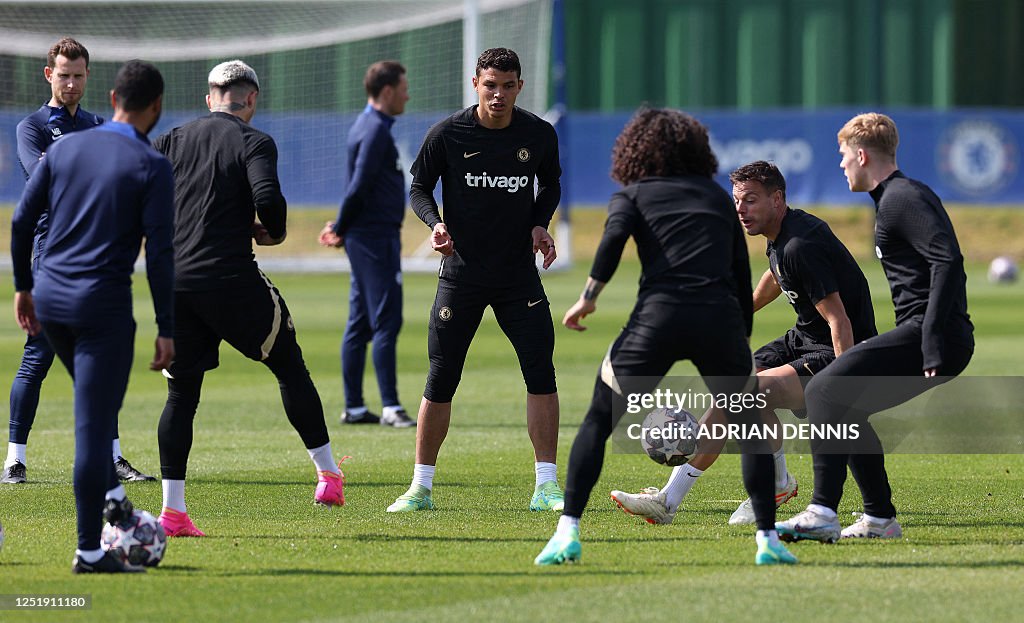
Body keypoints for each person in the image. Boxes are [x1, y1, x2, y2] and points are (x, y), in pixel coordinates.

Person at [534, 109, 795, 566]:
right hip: (717, 321)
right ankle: (767, 542)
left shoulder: (632, 194)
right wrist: (738, 339)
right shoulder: (717, 199)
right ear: (695, 148)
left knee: (599, 419)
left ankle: (566, 533)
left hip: (658, 320)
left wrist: (589, 297)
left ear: (635, 150)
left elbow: (613, 242)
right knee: (751, 422)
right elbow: (739, 274)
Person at [609, 160, 876, 525]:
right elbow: (777, 274)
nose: (740, 209)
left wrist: (848, 382)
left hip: (835, 349)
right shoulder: (781, 236)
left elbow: (838, 319)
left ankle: (755, 486)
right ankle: (682, 498)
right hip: (803, 340)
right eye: (737, 200)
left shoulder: (800, 244)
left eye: (750, 200)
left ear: (777, 199)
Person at [153, 60, 347, 538]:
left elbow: (145, 196)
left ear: (209, 98)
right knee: (288, 365)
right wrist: (274, 232)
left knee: (181, 395)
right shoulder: (254, 140)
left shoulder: (172, 139)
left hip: (176, 283)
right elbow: (268, 196)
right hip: (232, 279)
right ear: (252, 100)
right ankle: (328, 476)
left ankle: (173, 512)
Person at [776, 112, 973, 542]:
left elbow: (948, 262)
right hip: (926, 333)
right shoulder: (892, 200)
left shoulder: (903, 197)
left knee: (824, 390)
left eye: (844, 156)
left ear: (862, 154)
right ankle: (879, 519)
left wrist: (933, 340)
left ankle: (822, 512)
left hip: (931, 334)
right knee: (849, 408)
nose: (842, 165)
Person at [12, 60, 174, 573]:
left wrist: (22, 288)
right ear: (156, 107)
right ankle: (88, 552)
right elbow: (161, 255)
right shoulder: (151, 163)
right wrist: (166, 327)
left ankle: (114, 501)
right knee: (93, 425)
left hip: (51, 298)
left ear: (110, 97)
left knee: (91, 406)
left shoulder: (63, 148)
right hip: (101, 306)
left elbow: (20, 220)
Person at [386, 47, 564, 513]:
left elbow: (551, 183)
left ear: (520, 86)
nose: (498, 94)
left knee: (540, 374)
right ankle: (420, 488)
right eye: (490, 85)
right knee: (441, 378)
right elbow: (419, 187)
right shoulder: (447, 133)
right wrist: (436, 224)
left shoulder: (539, 134)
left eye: (507, 85)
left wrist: (540, 222)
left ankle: (546, 485)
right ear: (476, 84)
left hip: (517, 278)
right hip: (461, 276)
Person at [3, 37, 155, 485]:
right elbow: (48, 179)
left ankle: (113, 456)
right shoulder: (31, 127)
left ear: (89, 77)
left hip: (98, 256)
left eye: (78, 75)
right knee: (38, 356)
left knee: (102, 360)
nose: (71, 83)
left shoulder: (97, 124)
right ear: (49, 75)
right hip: (51, 255)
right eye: (63, 75)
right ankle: (14, 458)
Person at [318, 60, 414, 428]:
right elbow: (358, 186)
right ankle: (391, 407)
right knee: (387, 318)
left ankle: (355, 407)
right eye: (403, 87)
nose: (408, 94)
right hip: (374, 238)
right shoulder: (374, 129)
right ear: (387, 91)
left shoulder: (368, 125)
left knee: (360, 321)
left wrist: (344, 227)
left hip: (367, 235)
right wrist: (341, 226)